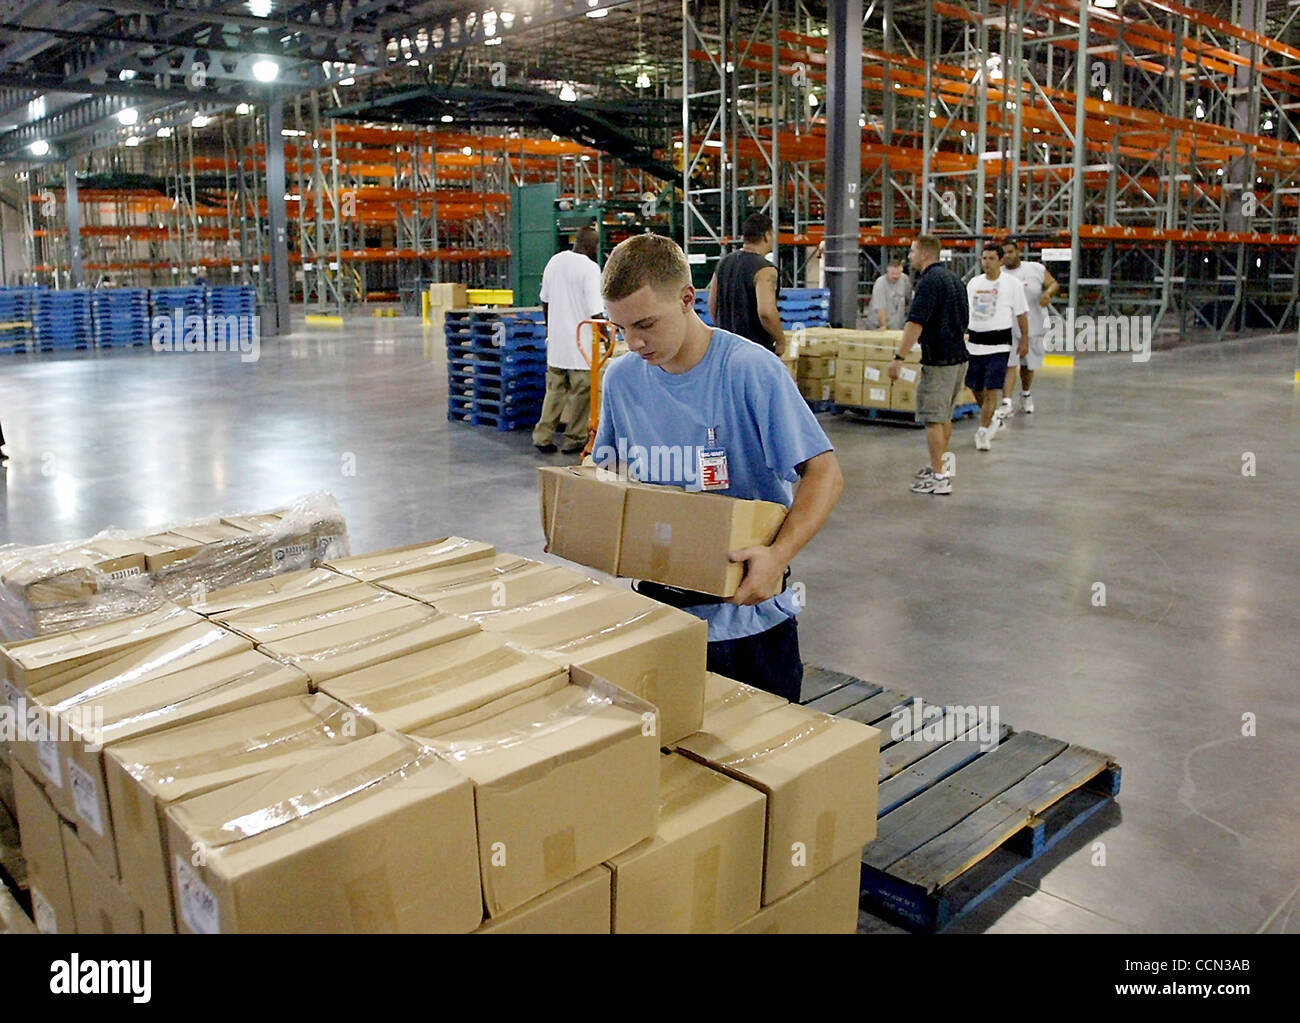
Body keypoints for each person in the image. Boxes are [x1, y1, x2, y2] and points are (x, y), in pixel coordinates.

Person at [594, 233, 843, 702]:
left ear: (688, 299)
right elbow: (608, 472)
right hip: (659, 615)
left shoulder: (750, 370)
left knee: (763, 759)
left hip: (747, 622)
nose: (634, 341)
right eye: (620, 327)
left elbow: (824, 474)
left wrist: (778, 555)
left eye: (646, 323)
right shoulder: (622, 379)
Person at [891, 235, 969, 496]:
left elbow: (916, 323)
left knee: (933, 419)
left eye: (913, 252)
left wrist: (898, 358)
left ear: (925, 254)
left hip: (938, 360)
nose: (910, 256)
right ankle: (941, 466)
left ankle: (940, 478)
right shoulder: (955, 280)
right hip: (958, 358)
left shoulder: (928, 282)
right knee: (944, 416)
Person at [533, 226, 604, 454]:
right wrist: (606, 336)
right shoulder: (590, 269)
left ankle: (542, 436)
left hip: (557, 343)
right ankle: (574, 438)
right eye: (595, 246)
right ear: (589, 246)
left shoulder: (554, 261)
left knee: (554, 391)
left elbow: (545, 300)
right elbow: (595, 311)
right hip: (581, 346)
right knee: (582, 393)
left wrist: (549, 329)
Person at [965, 243, 1029, 451]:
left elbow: (1021, 313)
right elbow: (967, 311)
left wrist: (1025, 339)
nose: (987, 262)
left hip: (999, 343)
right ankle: (992, 417)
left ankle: (983, 432)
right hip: (975, 342)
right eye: (984, 258)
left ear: (1000, 261)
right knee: (975, 387)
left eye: (992, 258)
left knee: (991, 388)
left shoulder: (1012, 284)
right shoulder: (974, 283)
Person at [707, 212, 786, 355]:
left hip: (725, 349)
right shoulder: (765, 270)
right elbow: (766, 312)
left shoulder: (723, 263)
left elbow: (712, 305)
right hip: (754, 352)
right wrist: (780, 341)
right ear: (767, 235)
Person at [999, 238, 1059, 415]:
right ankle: (1006, 401)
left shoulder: (1035, 269)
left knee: (1028, 365)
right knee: (1010, 364)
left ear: (1018, 252)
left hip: (1033, 325)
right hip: (1008, 326)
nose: (1008, 256)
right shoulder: (999, 274)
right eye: (1004, 254)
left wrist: (1048, 294)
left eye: (1011, 252)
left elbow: (1053, 283)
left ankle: (1025, 394)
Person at [870, 258, 912, 330]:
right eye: (893, 274)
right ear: (887, 271)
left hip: (898, 325)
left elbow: (909, 300)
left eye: (898, 274)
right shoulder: (880, 284)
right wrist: (883, 326)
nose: (895, 276)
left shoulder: (905, 279)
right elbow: (880, 308)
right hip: (879, 325)